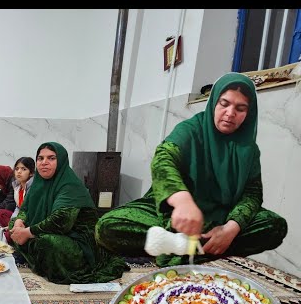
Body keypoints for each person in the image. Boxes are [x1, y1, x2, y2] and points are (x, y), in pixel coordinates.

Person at [95, 72, 288, 267]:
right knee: (108, 227)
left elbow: (252, 194)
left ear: (248, 113)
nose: (230, 113)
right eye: (224, 103)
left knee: (275, 225)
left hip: (221, 216)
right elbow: (164, 158)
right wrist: (182, 202)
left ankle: (185, 245)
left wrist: (231, 228)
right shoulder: (191, 129)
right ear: (214, 102)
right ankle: (202, 246)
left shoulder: (249, 149)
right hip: (174, 213)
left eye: (240, 108)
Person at [8, 142, 128, 284]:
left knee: (48, 242)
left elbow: (61, 222)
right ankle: (31, 247)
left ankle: (33, 251)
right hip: (49, 229)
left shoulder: (69, 184)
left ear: (61, 161)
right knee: (12, 223)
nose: (44, 163)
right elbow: (25, 209)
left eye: (51, 158)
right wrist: (19, 222)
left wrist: (26, 233)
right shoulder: (39, 184)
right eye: (40, 158)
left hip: (77, 239)